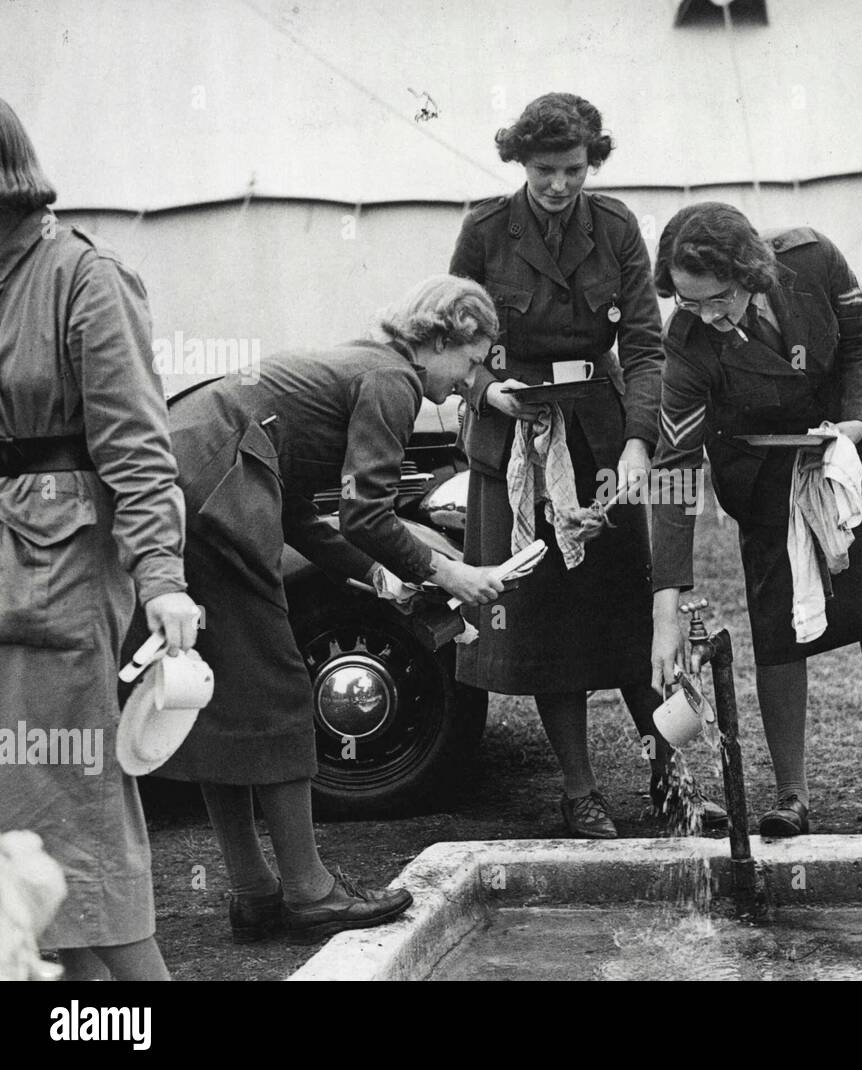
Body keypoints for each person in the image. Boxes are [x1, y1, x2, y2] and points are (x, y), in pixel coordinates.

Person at [148, 275, 504, 942]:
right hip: (217, 484)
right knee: (282, 684)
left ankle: (255, 892)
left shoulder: (361, 365)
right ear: (437, 340)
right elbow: (370, 511)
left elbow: (299, 513)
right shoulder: (393, 380)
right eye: (473, 359)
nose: (469, 380)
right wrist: (447, 568)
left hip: (186, 477)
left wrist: (376, 574)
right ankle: (310, 893)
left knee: (218, 693)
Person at [450, 91, 725, 838]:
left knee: (632, 614)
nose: (560, 185)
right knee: (547, 623)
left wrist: (640, 438)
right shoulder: (484, 228)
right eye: (545, 170)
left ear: (591, 161)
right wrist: (484, 390)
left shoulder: (616, 228)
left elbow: (642, 342)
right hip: (516, 441)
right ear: (520, 162)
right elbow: (452, 333)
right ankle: (579, 792)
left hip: (601, 437)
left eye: (573, 169)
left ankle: (673, 779)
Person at [649, 202, 862, 838]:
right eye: (690, 304)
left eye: (718, 299)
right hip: (762, 478)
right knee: (778, 625)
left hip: (853, 451)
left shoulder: (811, 258)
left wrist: (855, 426)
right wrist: (666, 608)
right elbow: (672, 469)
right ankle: (791, 796)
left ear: (750, 271)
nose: (708, 318)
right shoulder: (687, 340)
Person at [0, 97, 200, 980]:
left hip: (58, 581)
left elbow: (138, 448)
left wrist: (162, 576)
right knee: (22, 858)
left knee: (76, 832)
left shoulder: (84, 276)